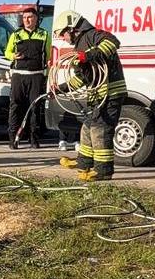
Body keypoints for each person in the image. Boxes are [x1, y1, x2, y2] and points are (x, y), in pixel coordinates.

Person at [52, 10, 127, 181]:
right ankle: (83, 163)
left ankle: (103, 171)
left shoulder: (93, 35)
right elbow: (82, 79)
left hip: (111, 92)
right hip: (96, 95)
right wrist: (59, 89)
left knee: (100, 130)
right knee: (87, 128)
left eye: (63, 34)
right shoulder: (79, 46)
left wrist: (87, 56)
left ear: (72, 28)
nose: (63, 38)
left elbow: (113, 42)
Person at [4, 7, 51, 149]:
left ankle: (34, 140)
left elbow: (48, 55)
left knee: (35, 108)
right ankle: (13, 139)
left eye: (30, 17)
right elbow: (7, 52)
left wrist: (48, 70)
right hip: (18, 76)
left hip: (36, 76)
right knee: (15, 107)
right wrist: (13, 56)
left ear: (36, 18)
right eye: (24, 18)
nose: (27, 20)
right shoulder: (16, 35)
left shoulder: (44, 35)